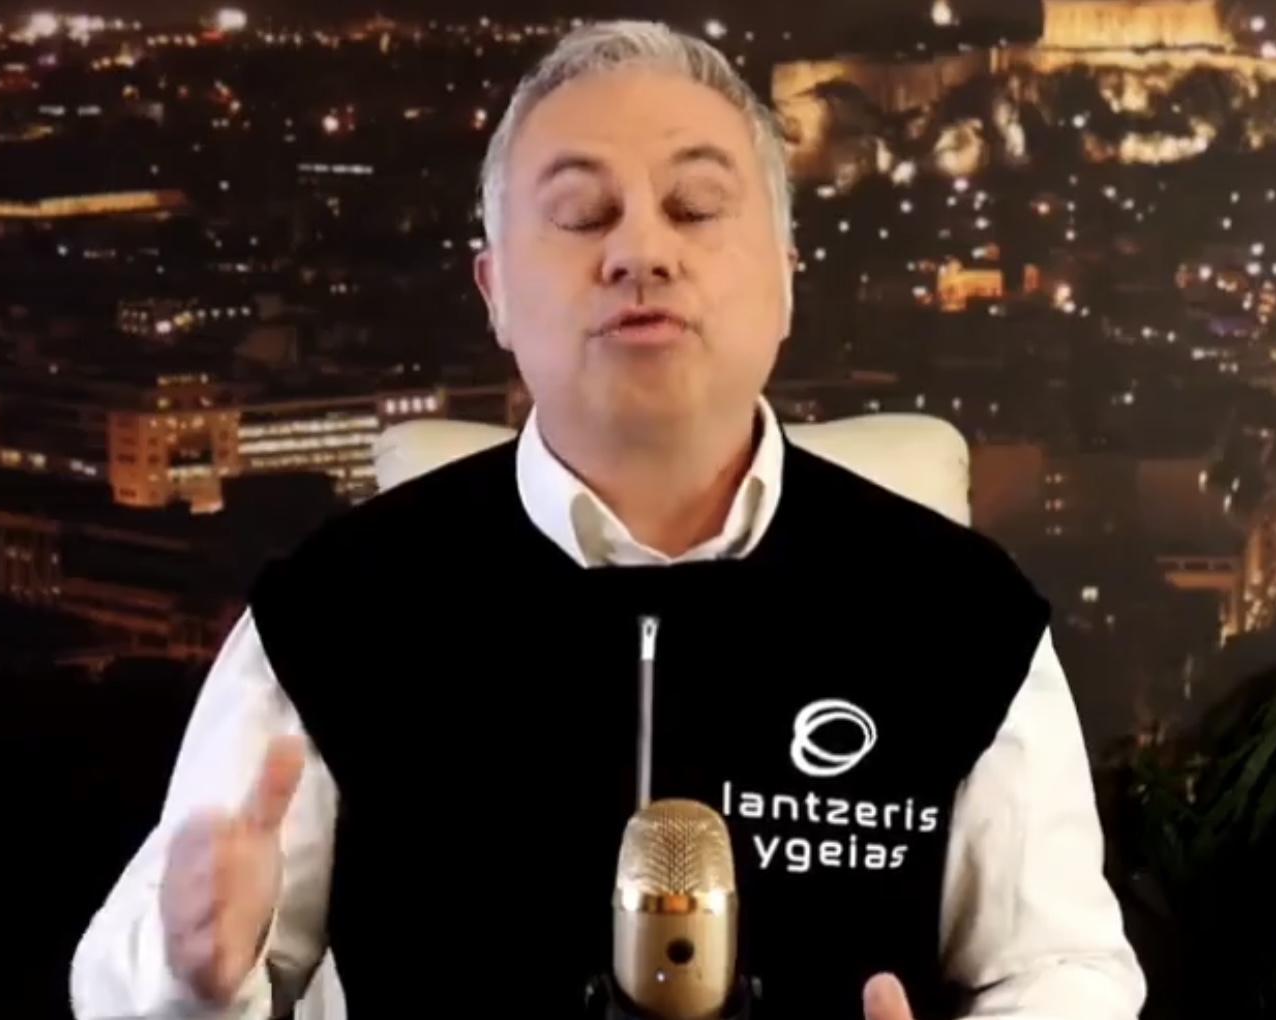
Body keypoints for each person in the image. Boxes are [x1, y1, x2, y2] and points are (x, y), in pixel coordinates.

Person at [71, 19, 1146, 1020]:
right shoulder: (337, 611)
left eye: (696, 208)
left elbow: (1061, 967)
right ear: (493, 291)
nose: (641, 253)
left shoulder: (958, 613)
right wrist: (195, 980)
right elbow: (136, 979)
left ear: (784, 281)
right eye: (584, 215)